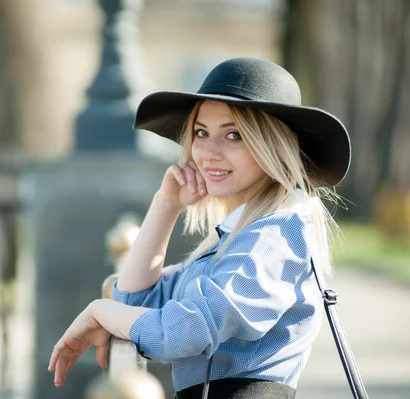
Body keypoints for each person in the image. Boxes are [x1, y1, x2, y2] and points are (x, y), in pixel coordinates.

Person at [48, 57, 350, 399]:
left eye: (233, 135)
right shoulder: (237, 237)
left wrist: (100, 311)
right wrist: (166, 206)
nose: (207, 152)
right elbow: (136, 299)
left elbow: (181, 331)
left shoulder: (275, 237)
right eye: (200, 132)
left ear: (273, 147)